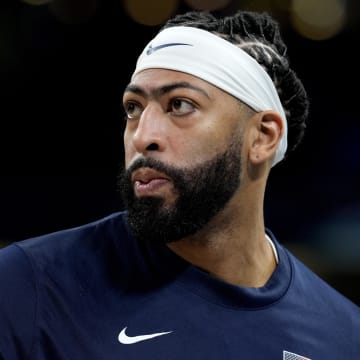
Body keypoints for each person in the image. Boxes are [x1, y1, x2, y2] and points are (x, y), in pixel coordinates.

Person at [0, 9, 359, 360]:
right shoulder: (26, 287)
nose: (143, 136)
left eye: (180, 105)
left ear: (262, 137)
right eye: (133, 108)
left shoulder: (344, 335)